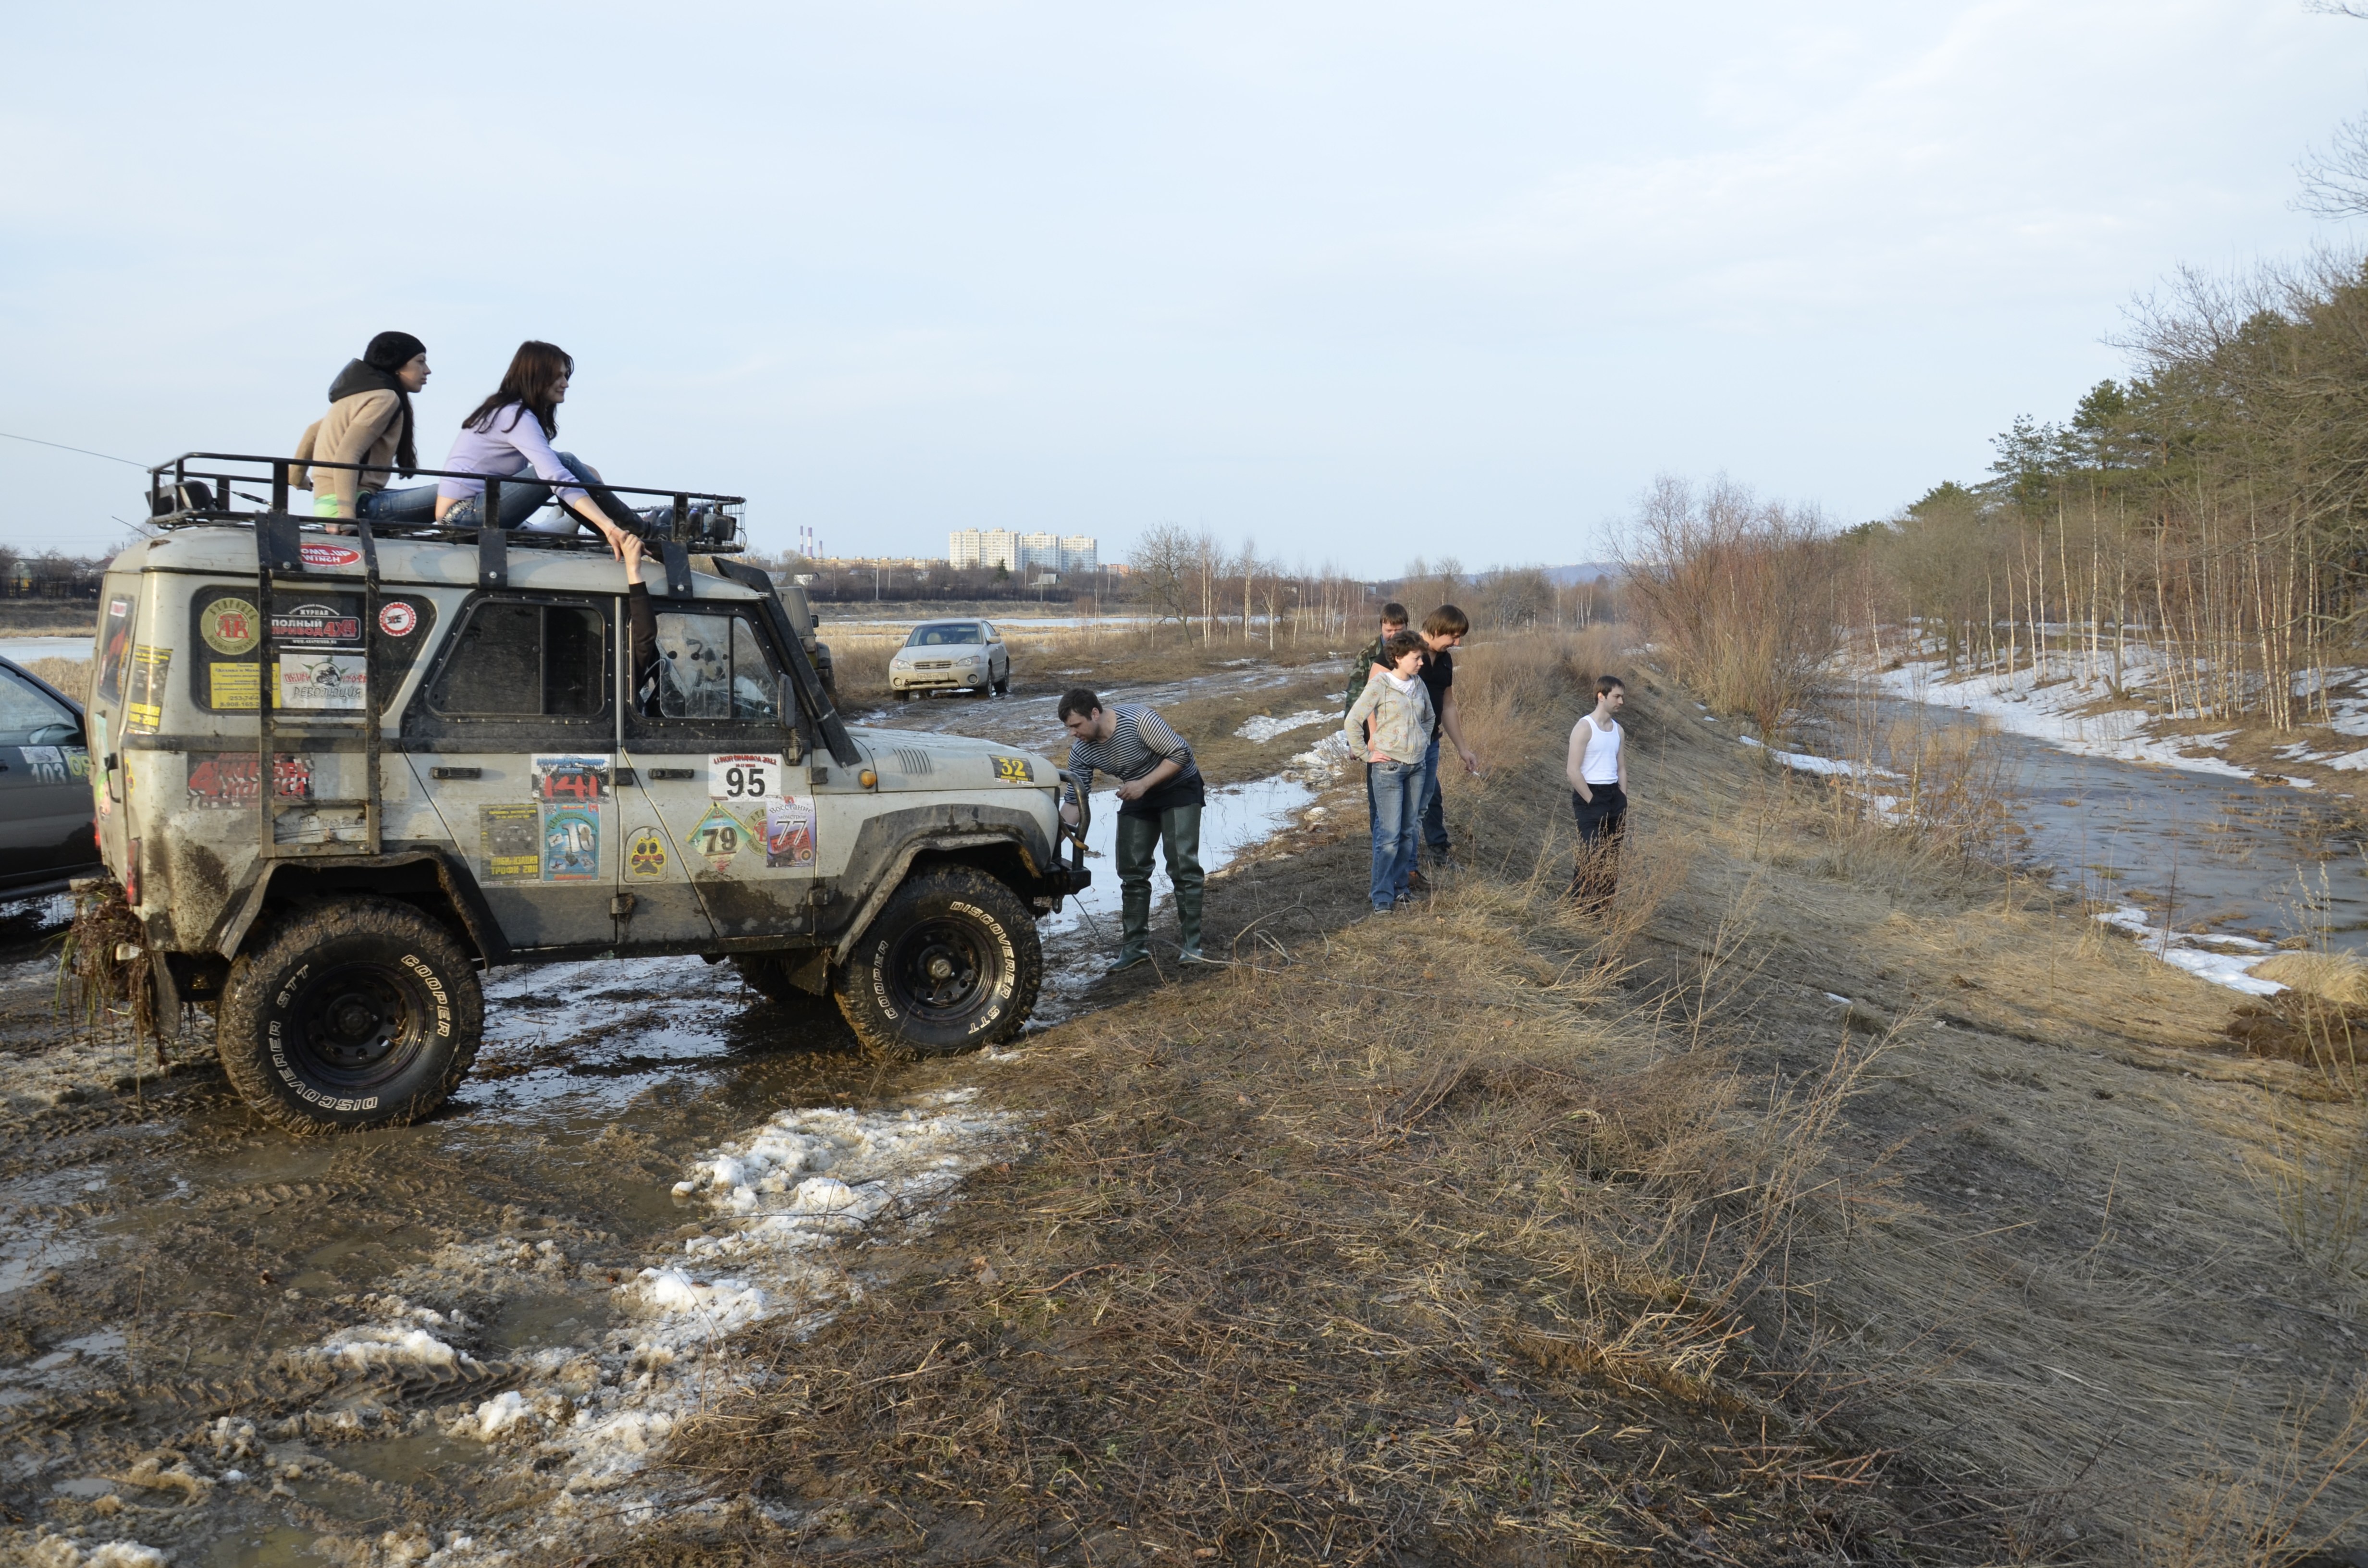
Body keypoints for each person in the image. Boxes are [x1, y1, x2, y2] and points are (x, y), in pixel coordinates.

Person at [433, 341, 638, 547]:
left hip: (471, 512)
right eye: (558, 376)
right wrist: (607, 525)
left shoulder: (508, 409)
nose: (565, 384)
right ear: (536, 377)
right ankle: (638, 532)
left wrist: (590, 481)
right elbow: (556, 476)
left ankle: (624, 530)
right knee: (564, 463)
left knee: (575, 468)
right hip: (463, 517)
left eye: (566, 376)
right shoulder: (514, 415)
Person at [1059, 689, 1207, 971]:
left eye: (1076, 725)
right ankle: (1134, 948)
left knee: (1182, 865)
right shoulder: (1081, 750)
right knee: (1131, 870)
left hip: (1179, 787)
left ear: (1095, 714)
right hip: (1138, 794)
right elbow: (1075, 801)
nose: (1073, 733)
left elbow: (1181, 754)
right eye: (1069, 728)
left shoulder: (1138, 720)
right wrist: (1053, 837)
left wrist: (1143, 784)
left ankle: (1192, 946)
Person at [288, 332, 437, 522]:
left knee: (446, 492)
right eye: (420, 362)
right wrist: (346, 515)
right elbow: (347, 454)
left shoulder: (354, 396)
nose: (427, 370)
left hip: (330, 503)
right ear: (397, 364)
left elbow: (313, 432)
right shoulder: (385, 399)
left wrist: (297, 478)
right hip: (355, 505)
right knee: (454, 493)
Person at [1344, 630, 1434, 913]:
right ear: (1398, 658)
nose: (1421, 662)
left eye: (1421, 658)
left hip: (1417, 768)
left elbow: (1430, 717)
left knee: (1408, 832)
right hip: (1388, 770)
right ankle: (1382, 896)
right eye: (1416, 658)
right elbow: (1352, 721)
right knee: (1389, 836)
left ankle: (1401, 889)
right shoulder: (1380, 684)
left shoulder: (1418, 684)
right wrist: (1366, 754)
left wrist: (1422, 742)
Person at [1565, 676, 1628, 911]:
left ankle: (1602, 909)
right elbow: (1573, 770)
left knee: (1612, 857)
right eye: (1617, 696)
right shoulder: (1584, 727)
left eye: (1622, 697)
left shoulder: (1618, 731)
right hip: (1590, 796)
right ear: (1601, 696)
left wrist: (1623, 799)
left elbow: (1621, 768)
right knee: (1591, 853)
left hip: (1614, 797)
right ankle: (1579, 908)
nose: (1621, 702)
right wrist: (1592, 800)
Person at [1346, 603, 1407, 841]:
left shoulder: (1414, 654)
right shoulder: (1368, 656)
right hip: (1377, 738)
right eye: (1389, 630)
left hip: (1406, 739)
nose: (1393, 635)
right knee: (1378, 800)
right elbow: (1355, 699)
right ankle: (1381, 847)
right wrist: (1356, 742)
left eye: (1398, 630)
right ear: (1381, 626)